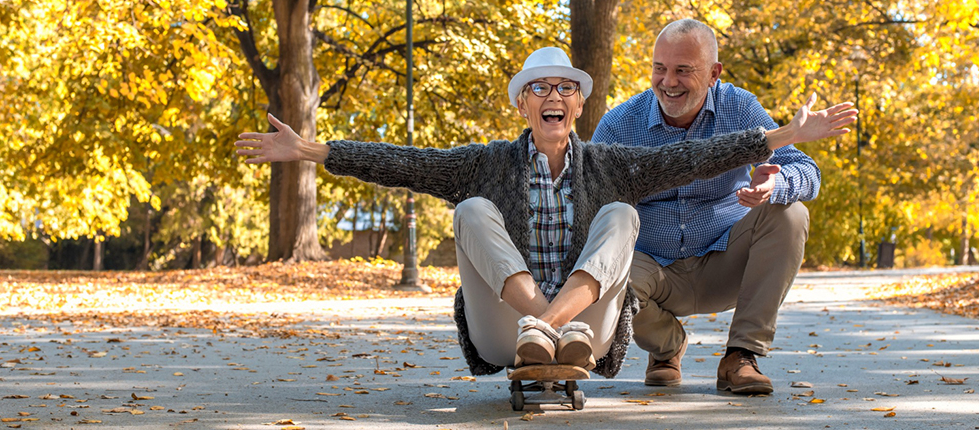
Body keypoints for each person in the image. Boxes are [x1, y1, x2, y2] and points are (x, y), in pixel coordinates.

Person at [235, 47, 855, 378]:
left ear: (579, 106)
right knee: (473, 209)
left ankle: (559, 325)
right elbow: (401, 161)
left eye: (564, 89)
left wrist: (777, 137)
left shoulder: (612, 163)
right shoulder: (485, 163)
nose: (552, 96)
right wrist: (309, 150)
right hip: (507, 328)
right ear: (522, 106)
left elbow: (700, 156)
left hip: (590, 332)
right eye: (539, 88)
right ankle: (542, 323)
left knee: (619, 215)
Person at [592, 19, 826, 393]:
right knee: (597, 272)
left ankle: (741, 356)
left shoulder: (740, 108)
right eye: (660, 68)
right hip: (651, 269)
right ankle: (667, 347)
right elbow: (588, 204)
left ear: (714, 73)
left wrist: (774, 184)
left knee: (791, 212)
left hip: (726, 262)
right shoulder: (620, 124)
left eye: (683, 70)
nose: (668, 82)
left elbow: (807, 171)